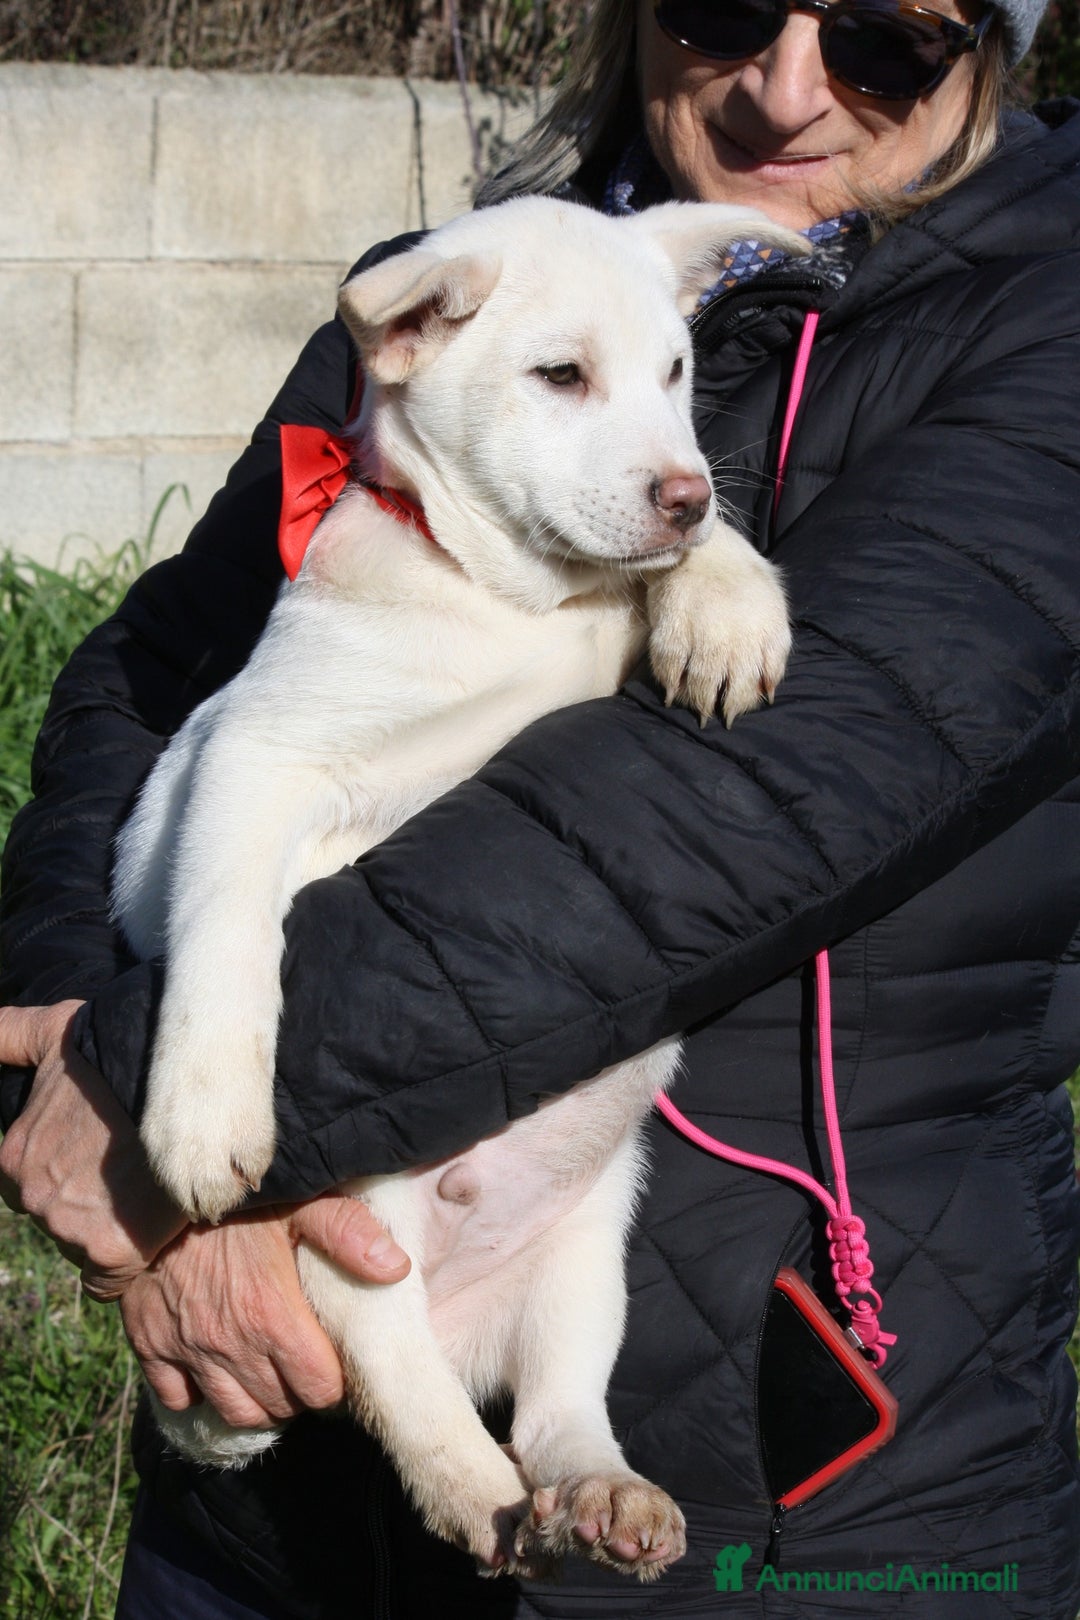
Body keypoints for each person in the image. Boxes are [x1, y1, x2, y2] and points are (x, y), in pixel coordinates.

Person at [2, 0, 1079, 1610]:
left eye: (882, 42)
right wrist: (82, 1026)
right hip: (281, 1482)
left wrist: (166, 1088)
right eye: (722, 7)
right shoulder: (461, 290)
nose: (787, 90)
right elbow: (163, 673)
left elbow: (717, 816)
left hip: (805, 1489)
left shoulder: (1049, 329)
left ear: (992, 48)